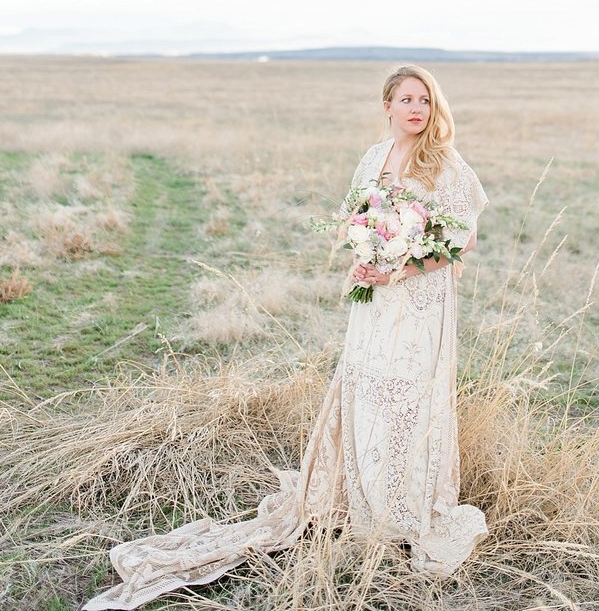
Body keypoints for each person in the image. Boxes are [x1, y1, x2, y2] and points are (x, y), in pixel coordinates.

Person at [84, 64, 490, 610]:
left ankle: (408, 506)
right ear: (388, 105)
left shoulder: (445, 164)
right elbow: (359, 221)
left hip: (418, 302)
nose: (417, 108)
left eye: (425, 99)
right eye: (406, 99)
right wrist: (367, 256)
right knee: (368, 390)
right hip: (373, 298)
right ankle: (367, 498)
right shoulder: (373, 158)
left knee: (408, 394)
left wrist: (399, 268)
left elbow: (458, 242)